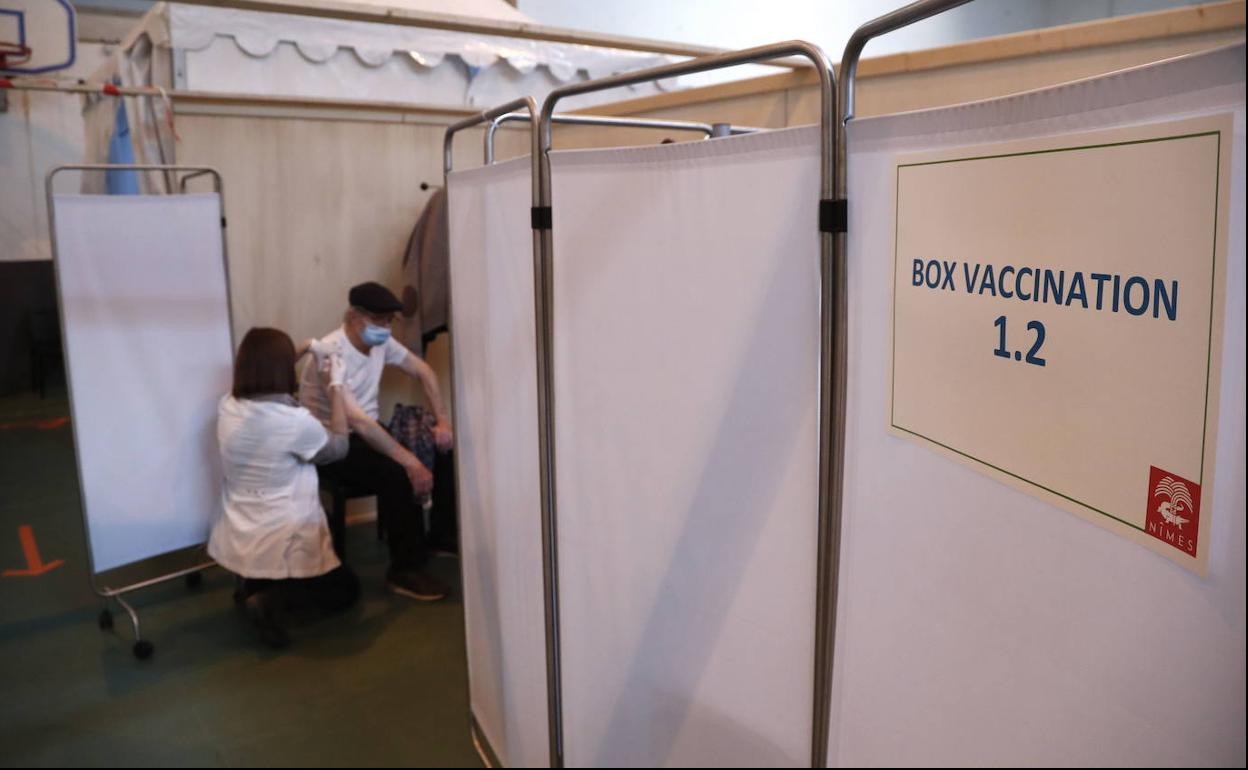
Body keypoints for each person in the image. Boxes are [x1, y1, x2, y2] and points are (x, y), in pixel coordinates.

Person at [299, 281, 454, 601]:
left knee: (441, 449)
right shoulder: (330, 352)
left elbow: (424, 371)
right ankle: (404, 570)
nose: (385, 328)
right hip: (331, 440)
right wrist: (408, 461)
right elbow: (356, 420)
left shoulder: (382, 344)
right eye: (379, 320)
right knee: (399, 472)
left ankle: (440, 537)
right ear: (354, 316)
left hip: (365, 430)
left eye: (389, 321)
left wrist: (442, 421)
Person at [209, 327, 359, 648]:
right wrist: (336, 385)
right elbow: (338, 448)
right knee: (347, 592)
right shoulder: (292, 422)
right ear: (281, 370)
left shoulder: (228, 406)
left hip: (243, 520)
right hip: (283, 526)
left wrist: (306, 346)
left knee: (266, 561)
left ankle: (259, 587)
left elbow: (266, 380)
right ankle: (271, 600)